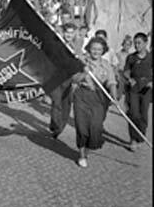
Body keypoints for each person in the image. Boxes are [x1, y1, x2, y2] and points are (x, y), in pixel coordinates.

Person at [72, 36, 117, 168]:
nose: (96, 52)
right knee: (82, 127)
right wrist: (84, 74)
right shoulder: (82, 61)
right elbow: (74, 79)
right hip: (82, 95)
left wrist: (114, 97)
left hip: (99, 98)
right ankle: (81, 154)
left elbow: (111, 82)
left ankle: (87, 151)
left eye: (99, 49)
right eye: (93, 49)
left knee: (96, 128)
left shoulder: (106, 65)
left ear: (103, 50)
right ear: (89, 49)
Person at [49, 22, 79, 139]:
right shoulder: (58, 44)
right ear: (63, 32)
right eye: (67, 32)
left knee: (66, 104)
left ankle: (60, 126)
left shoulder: (76, 47)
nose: (69, 35)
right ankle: (55, 125)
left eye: (71, 32)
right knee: (56, 102)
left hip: (69, 79)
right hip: (57, 78)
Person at [123, 33, 152, 152]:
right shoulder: (131, 57)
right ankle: (133, 140)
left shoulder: (150, 57)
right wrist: (129, 79)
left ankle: (140, 136)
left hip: (146, 90)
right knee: (133, 113)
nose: (136, 45)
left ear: (146, 43)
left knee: (143, 115)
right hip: (133, 89)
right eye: (135, 43)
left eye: (139, 43)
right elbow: (125, 71)